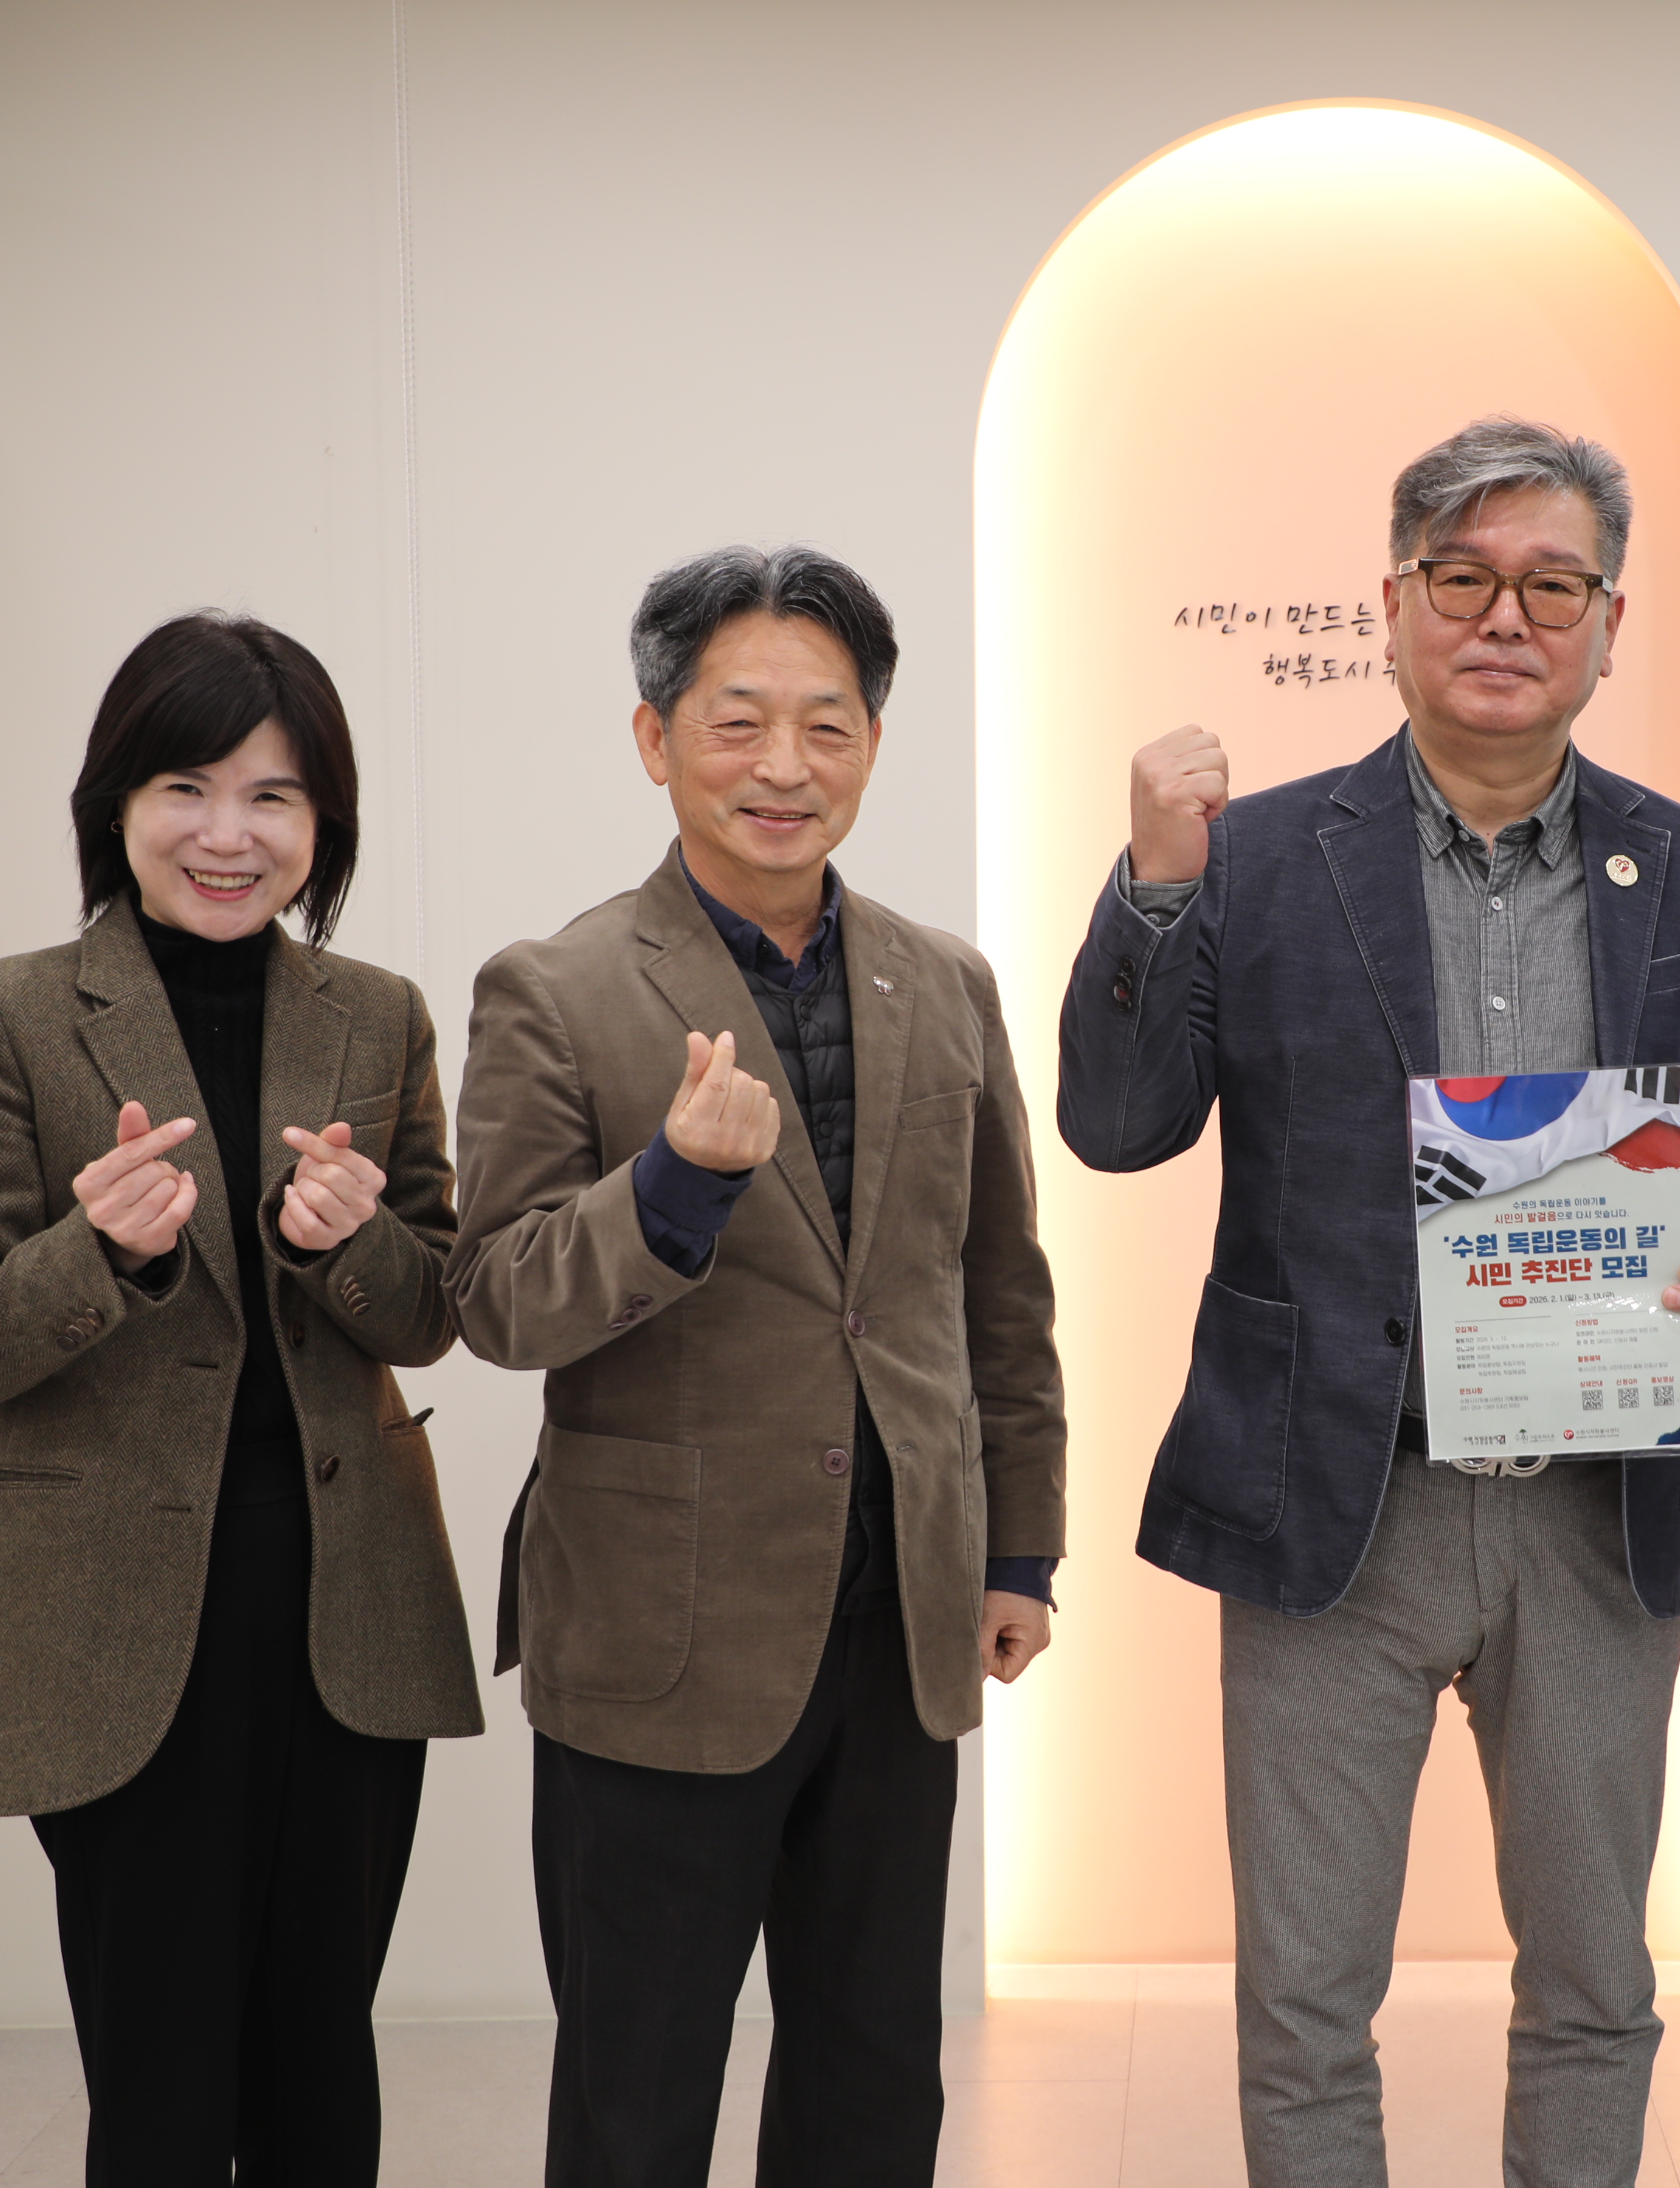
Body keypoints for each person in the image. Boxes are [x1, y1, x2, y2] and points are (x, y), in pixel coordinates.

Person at [1058, 415, 1680, 2188]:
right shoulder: (1253, 853)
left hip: (1597, 1501)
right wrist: (1152, 888)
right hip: (1338, 1493)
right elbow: (1116, 1123)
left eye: (1553, 585)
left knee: (1598, 1983)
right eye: (1463, 578)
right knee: (1307, 2002)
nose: (1505, 618)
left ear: (1610, 625)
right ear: (1391, 606)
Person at [448, 544, 1064, 2188]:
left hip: (899, 1617)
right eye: (739, 722)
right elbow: (496, 1298)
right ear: (655, 739)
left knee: (874, 2082)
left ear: (872, 744)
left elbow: (996, 1292)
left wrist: (1019, 1548)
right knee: (639, 2094)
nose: (785, 765)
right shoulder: (558, 988)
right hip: (660, 1627)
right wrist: (671, 1191)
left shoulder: (947, 982)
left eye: (828, 725)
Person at [0, 613, 479, 2184]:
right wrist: (97, 1254)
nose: (230, 834)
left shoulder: (381, 1014)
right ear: (118, 804)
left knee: (319, 2061)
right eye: (188, 788)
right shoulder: (1, 1014)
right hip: (109, 1618)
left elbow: (433, 1310)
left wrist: (353, 1249)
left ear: (321, 824)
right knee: (161, 2079)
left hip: (343, 1601)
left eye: (274, 796)